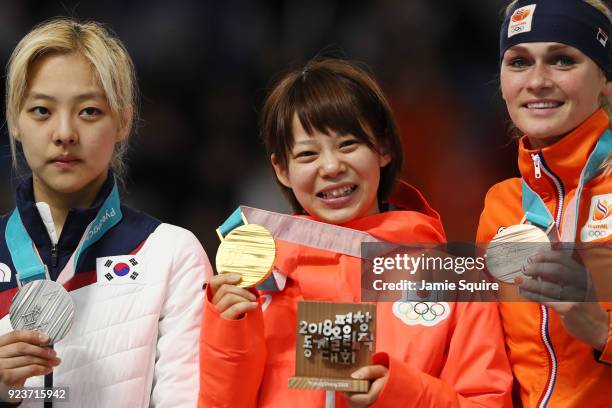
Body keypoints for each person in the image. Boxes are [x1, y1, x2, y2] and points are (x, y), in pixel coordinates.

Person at [199, 58, 512, 407]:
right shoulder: (260, 278)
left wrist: (399, 394)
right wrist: (229, 332)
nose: (331, 166)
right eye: (307, 154)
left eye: (348, 144)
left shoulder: (454, 277)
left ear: (383, 148)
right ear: (282, 170)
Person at [0, 18, 211, 407]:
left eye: (89, 111)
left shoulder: (171, 256)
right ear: (15, 120)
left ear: (124, 121)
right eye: (42, 110)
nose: (64, 133)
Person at [476, 0, 612, 406]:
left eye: (562, 60)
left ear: (605, 76)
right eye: (519, 62)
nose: (537, 81)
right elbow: (482, 369)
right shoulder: (500, 206)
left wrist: (603, 332)